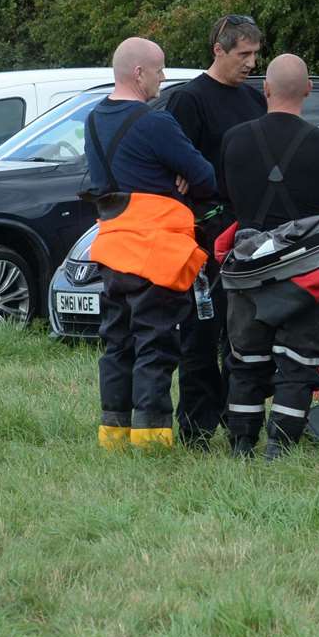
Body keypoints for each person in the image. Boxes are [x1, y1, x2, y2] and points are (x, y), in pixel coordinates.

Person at [218, 55, 319, 458]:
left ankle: (242, 442)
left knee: (245, 357)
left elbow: (224, 198)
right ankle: (280, 445)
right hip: (307, 274)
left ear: (265, 89)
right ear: (309, 90)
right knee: (298, 360)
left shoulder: (234, 139)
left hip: (248, 269)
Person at [86, 37, 217, 450]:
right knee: (155, 344)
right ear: (138, 73)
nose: (164, 76)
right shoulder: (154, 122)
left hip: (112, 246)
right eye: (159, 69)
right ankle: (152, 439)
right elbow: (205, 177)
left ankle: (113, 435)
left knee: (117, 343)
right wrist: (177, 177)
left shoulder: (93, 119)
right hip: (153, 250)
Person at [164, 13, 266, 446]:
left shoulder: (255, 100)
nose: (250, 63)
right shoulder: (189, 100)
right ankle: (196, 427)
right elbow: (177, 169)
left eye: (256, 54)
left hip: (250, 229)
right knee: (201, 333)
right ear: (218, 50)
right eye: (243, 54)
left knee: (244, 332)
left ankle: (236, 418)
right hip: (205, 232)